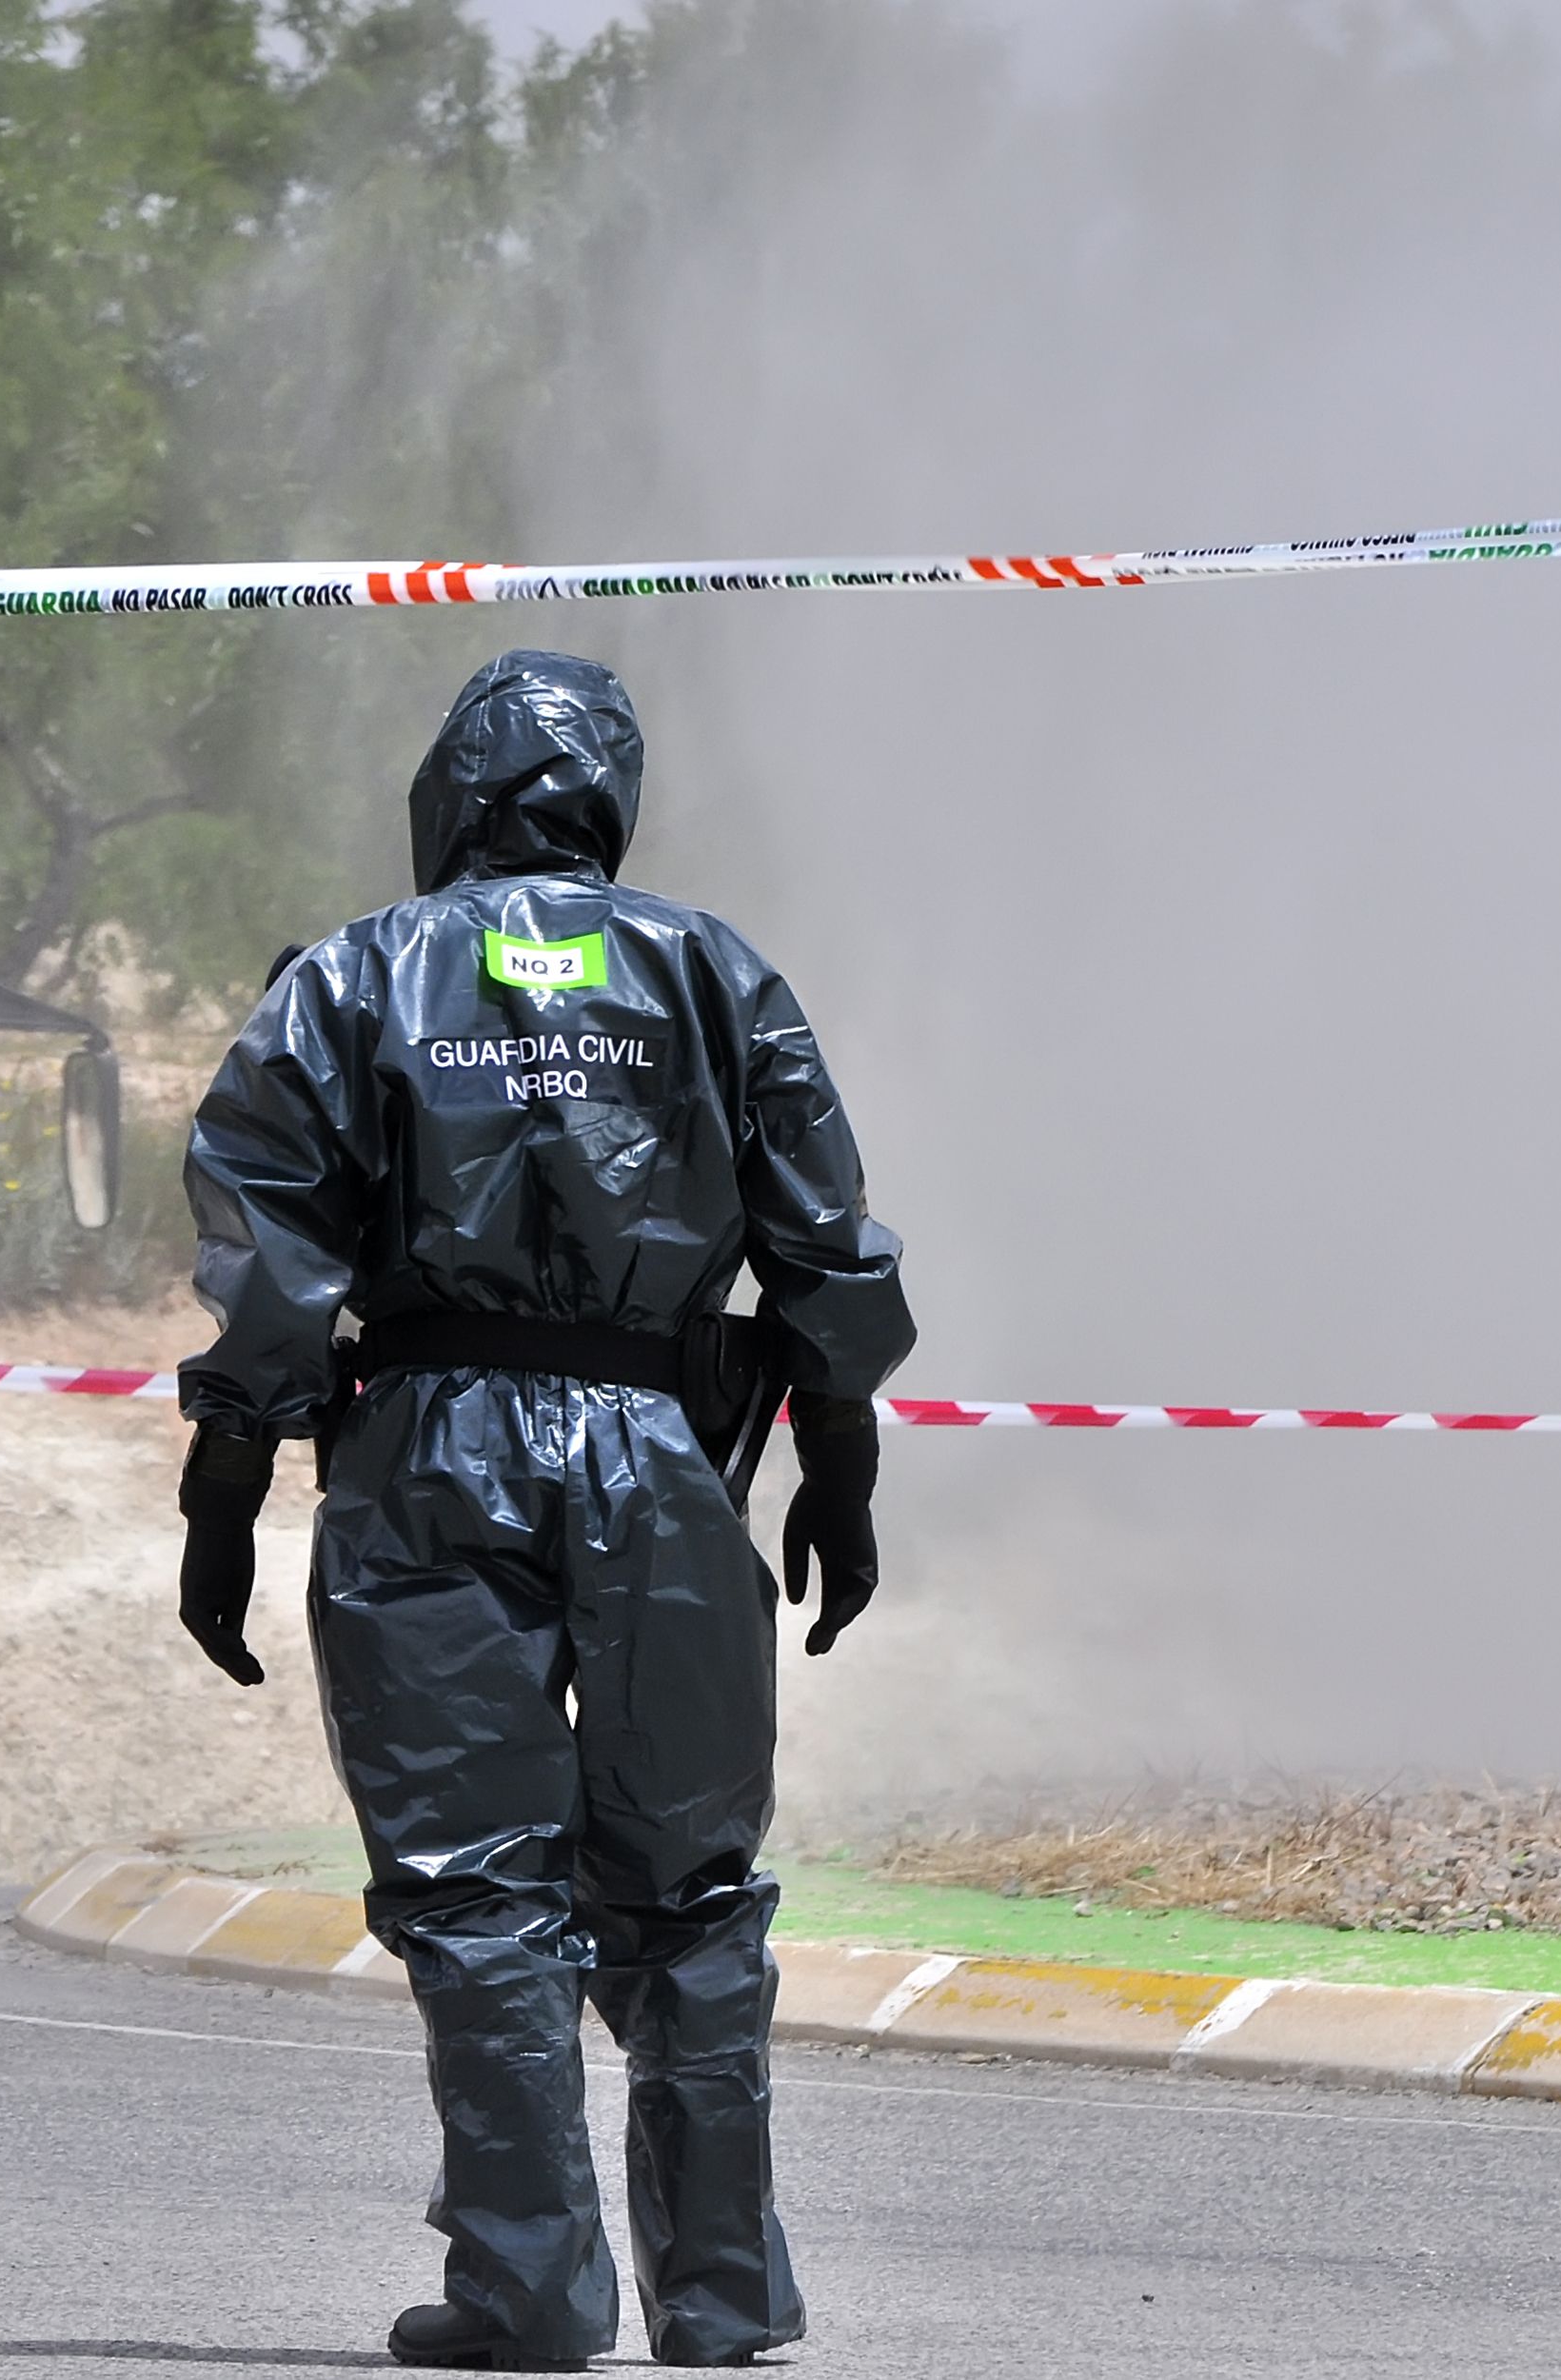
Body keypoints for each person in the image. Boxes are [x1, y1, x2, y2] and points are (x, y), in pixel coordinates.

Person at [172, 649, 916, 2370]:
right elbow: (825, 1238)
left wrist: (226, 1483)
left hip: (424, 1454)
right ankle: (721, 2302)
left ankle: (528, 2295)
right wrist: (841, 1457)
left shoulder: (355, 975)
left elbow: (267, 1248)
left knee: (472, 1886)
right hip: (661, 1458)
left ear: (452, 791)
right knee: (693, 1893)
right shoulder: (714, 973)